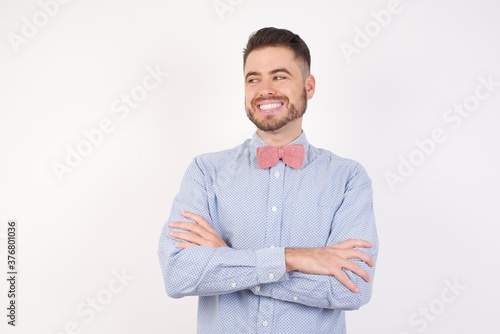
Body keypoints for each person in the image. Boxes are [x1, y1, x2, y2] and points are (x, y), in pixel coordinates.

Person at [158, 27, 378, 334]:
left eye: (280, 76)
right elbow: (178, 274)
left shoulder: (347, 178)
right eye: (253, 79)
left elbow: (351, 288)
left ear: (309, 86)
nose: (265, 90)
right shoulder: (205, 172)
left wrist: (229, 261)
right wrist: (295, 258)